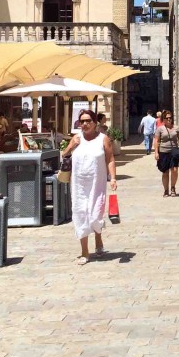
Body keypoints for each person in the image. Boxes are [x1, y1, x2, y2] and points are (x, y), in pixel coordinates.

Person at [61, 109, 117, 265]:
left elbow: (110, 159)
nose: (84, 124)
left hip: (96, 183)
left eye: (88, 121)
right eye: (82, 121)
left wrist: (112, 178)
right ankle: (85, 252)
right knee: (80, 214)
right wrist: (70, 147)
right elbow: (63, 156)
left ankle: (98, 238)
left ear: (95, 123)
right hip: (78, 184)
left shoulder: (103, 139)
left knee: (95, 215)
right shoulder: (76, 139)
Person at [153, 110, 179, 197]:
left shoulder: (176, 128)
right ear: (163, 119)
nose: (169, 119)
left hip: (174, 152)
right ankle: (166, 190)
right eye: (167, 118)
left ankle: (173, 187)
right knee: (165, 172)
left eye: (170, 118)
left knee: (174, 170)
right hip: (163, 152)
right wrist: (156, 152)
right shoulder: (160, 129)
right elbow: (156, 141)